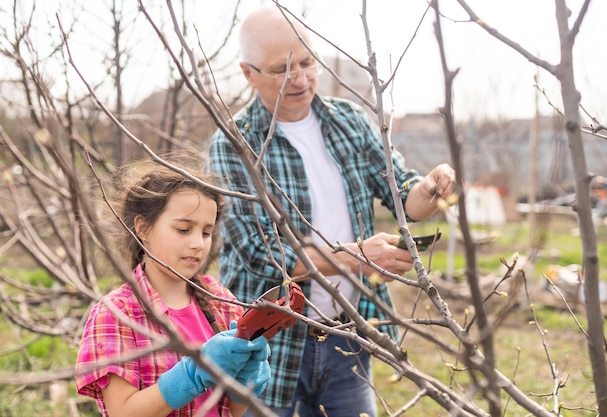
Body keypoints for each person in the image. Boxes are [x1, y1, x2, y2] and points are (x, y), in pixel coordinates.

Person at [208, 6, 457, 417]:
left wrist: (430, 189)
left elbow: (403, 194)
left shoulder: (351, 123)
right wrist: (357, 257)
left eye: (308, 62)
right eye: (282, 69)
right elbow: (260, 251)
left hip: (347, 332)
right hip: (267, 341)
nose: (301, 78)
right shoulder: (234, 144)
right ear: (249, 73)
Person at [75, 154, 271, 417]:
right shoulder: (116, 313)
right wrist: (192, 375)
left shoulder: (221, 300)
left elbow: (233, 411)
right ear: (143, 228)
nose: (198, 244)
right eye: (183, 230)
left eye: (206, 232)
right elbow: (123, 412)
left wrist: (245, 382)